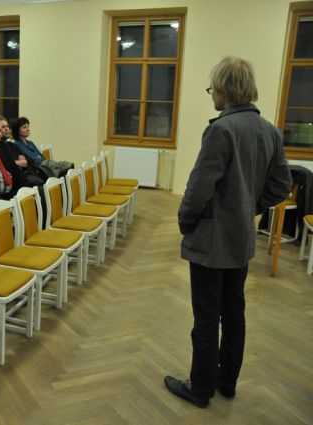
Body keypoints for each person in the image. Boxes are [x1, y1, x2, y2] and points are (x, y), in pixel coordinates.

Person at [164, 57, 292, 408]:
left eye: (212, 89)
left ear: (224, 90)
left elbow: (198, 188)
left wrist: (185, 221)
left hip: (211, 241)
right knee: (234, 313)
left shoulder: (221, 130)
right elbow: (282, 185)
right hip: (240, 240)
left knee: (206, 317)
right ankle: (227, 382)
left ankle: (200, 388)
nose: (211, 95)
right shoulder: (270, 131)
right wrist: (249, 207)